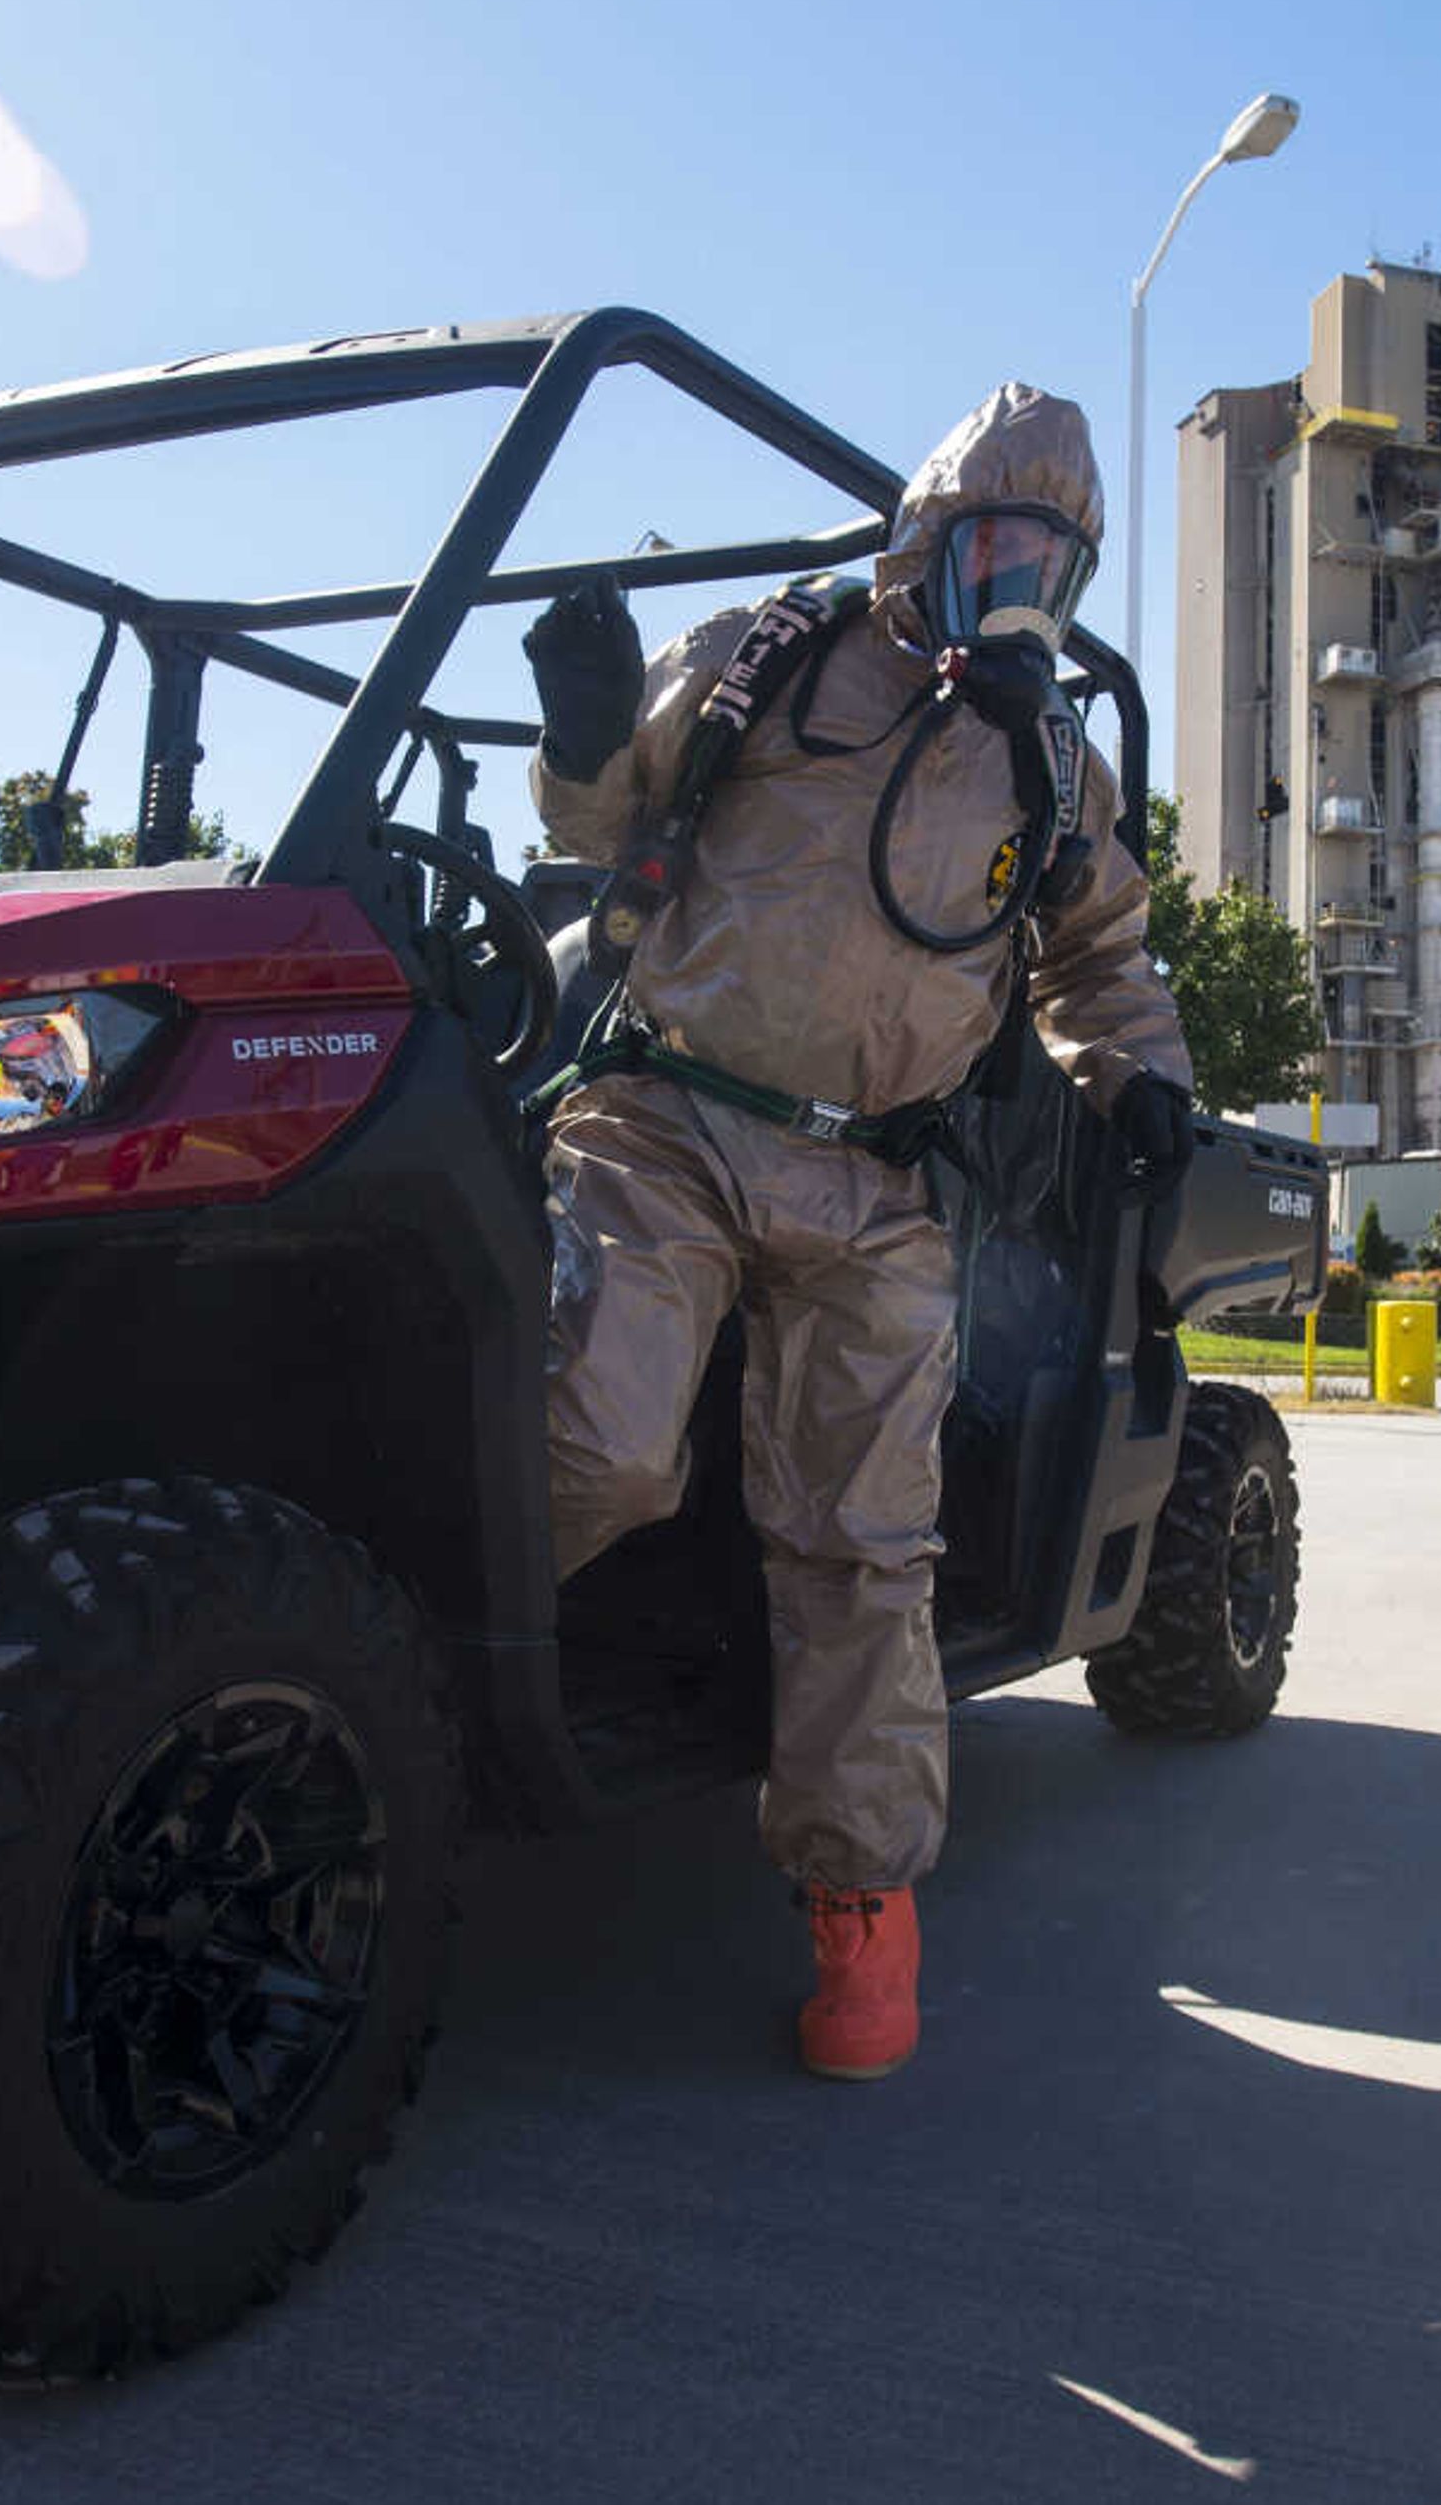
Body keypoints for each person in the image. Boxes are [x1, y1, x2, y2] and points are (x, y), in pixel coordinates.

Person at [520, 383, 1192, 2084]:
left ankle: (861, 1909)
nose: (1022, 576)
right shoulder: (775, 652)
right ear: (933, 536)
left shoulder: (1051, 762)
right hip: (665, 1120)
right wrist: (590, 722)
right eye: (999, 542)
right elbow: (602, 828)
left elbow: (1100, 957)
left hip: (878, 1187)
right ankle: (395, 1676)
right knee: (589, 1438)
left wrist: (1143, 1077)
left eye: (1057, 555)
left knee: (862, 1548)